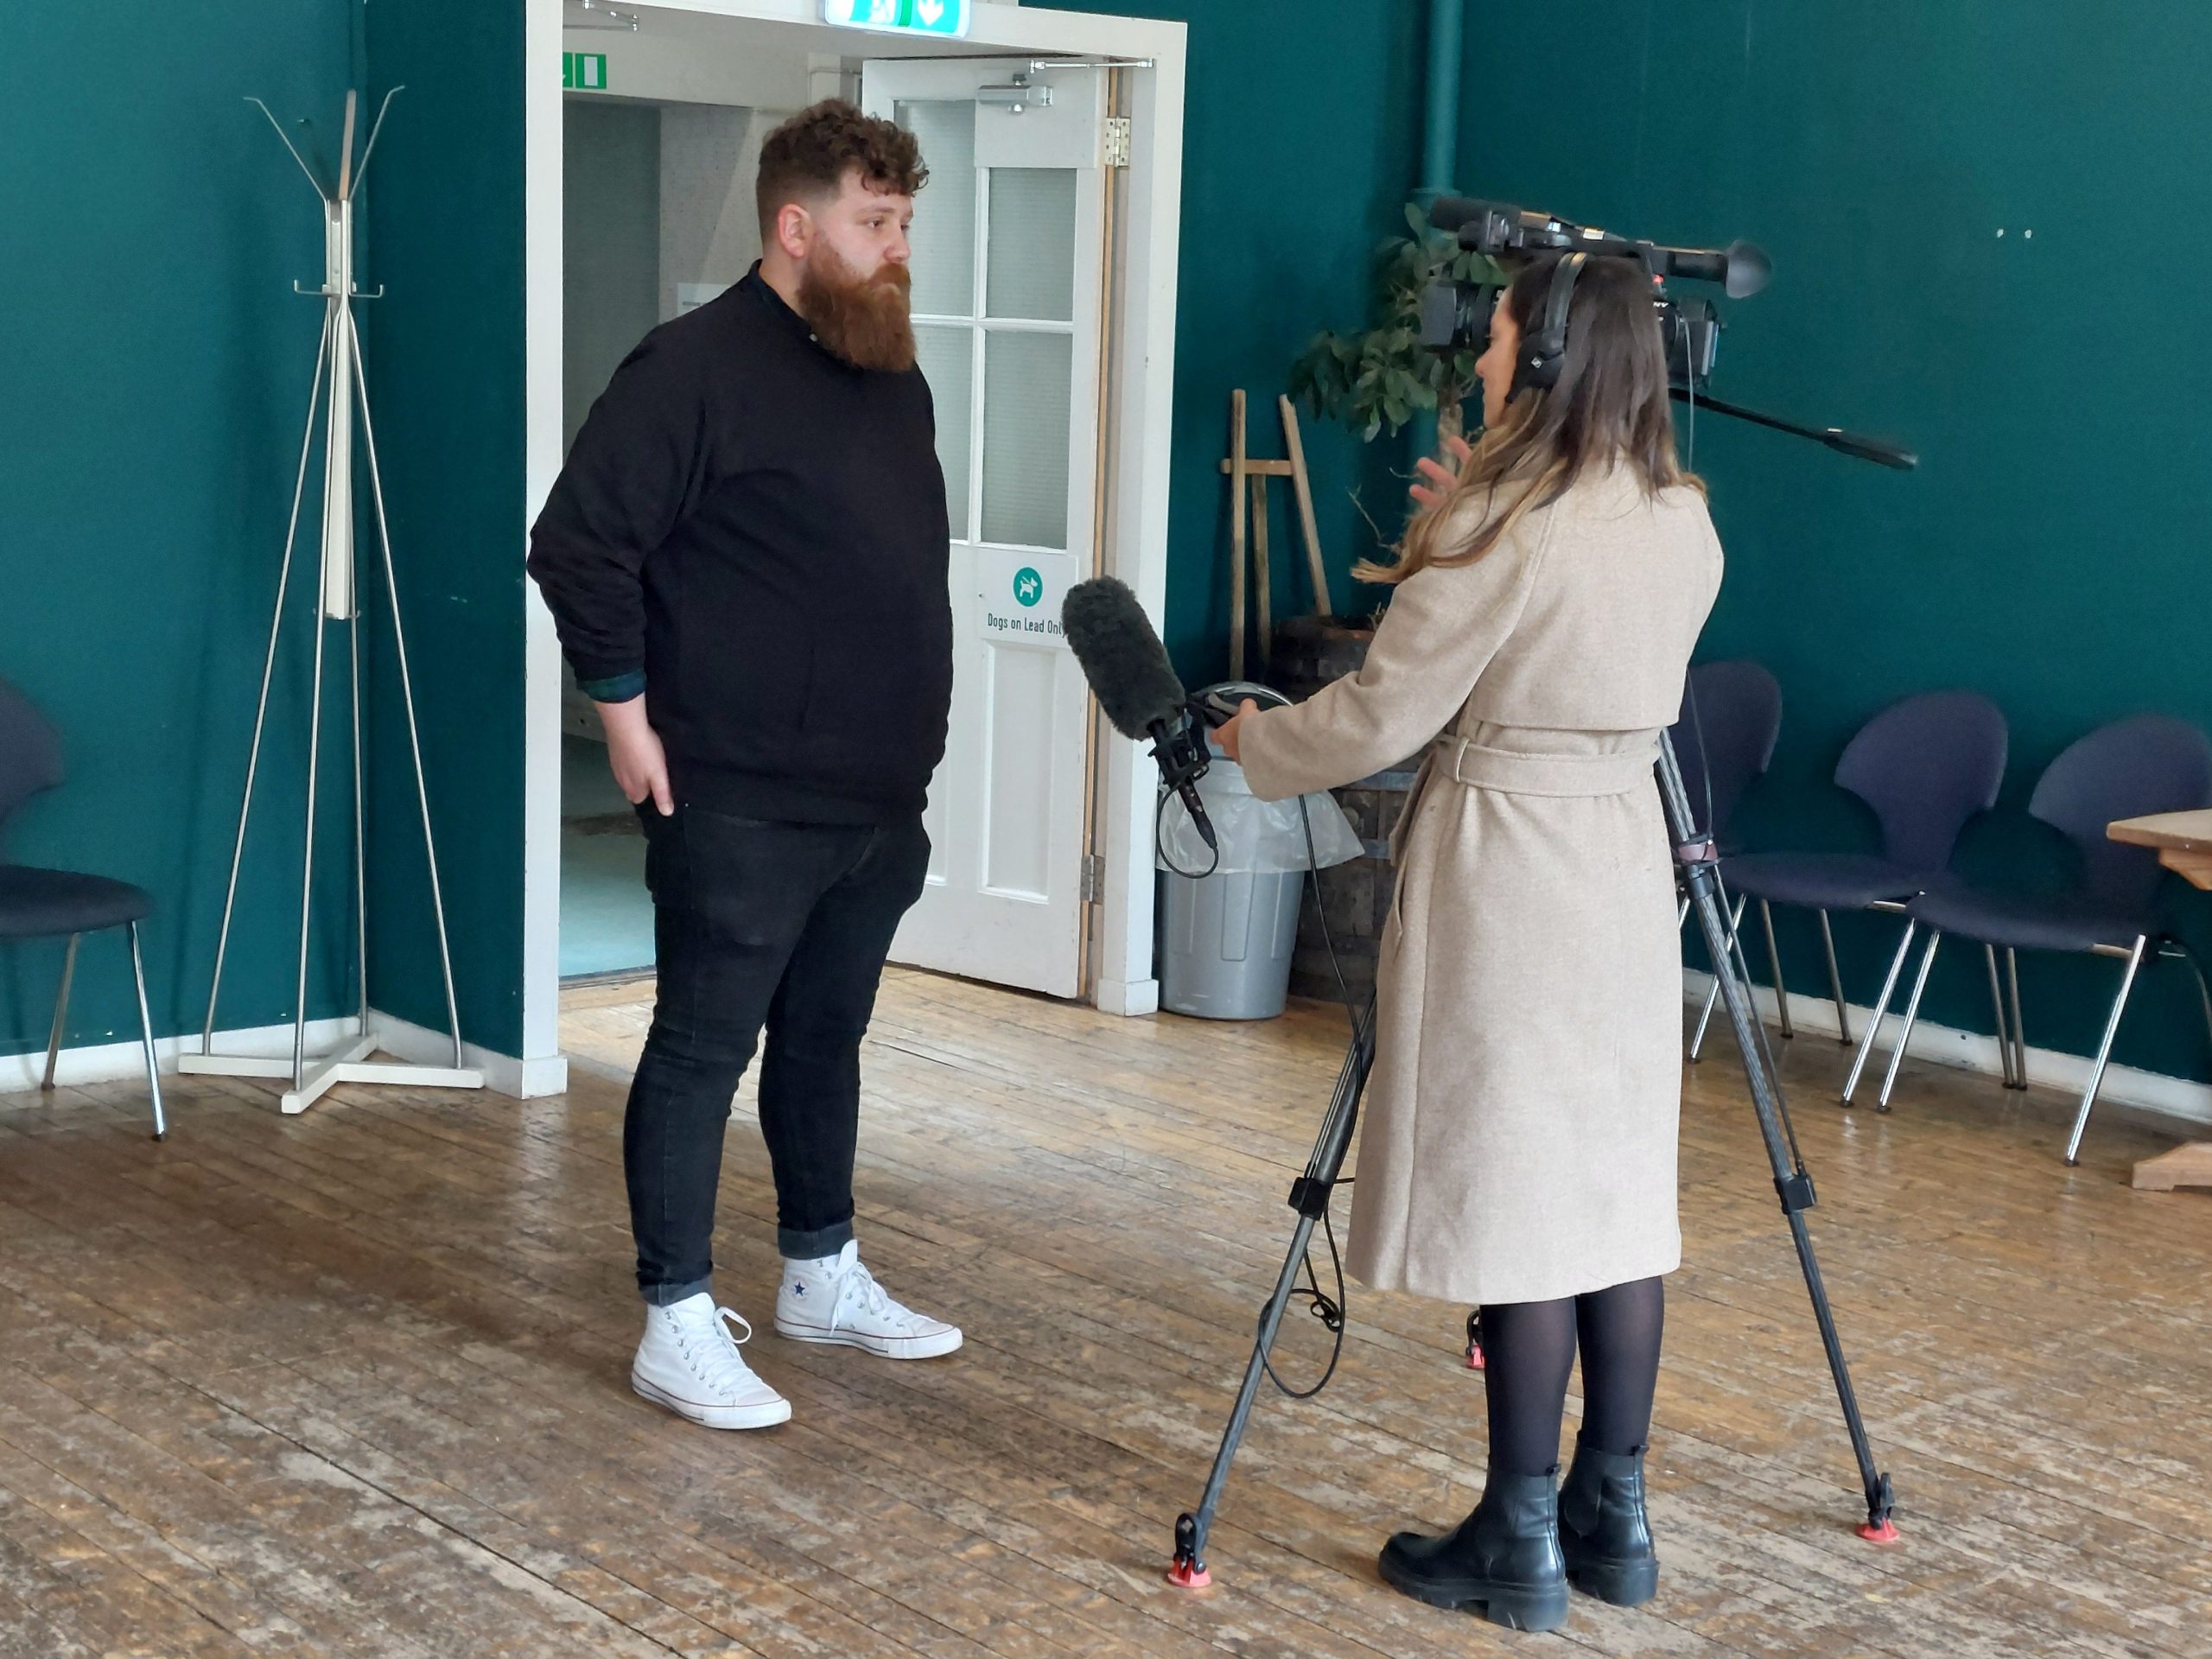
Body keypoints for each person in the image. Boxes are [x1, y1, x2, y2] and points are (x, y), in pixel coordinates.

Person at [1217, 251, 1723, 1630]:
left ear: (1550, 354)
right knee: (1615, 1203)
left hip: (1509, 872)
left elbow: (1385, 714)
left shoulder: (1509, 519)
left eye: (1497, 339)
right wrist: (1462, 535)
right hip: (1618, 865)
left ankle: (1514, 1538)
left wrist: (1252, 743)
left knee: (1517, 1207)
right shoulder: (1682, 515)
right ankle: (1609, 1525)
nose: (1484, 359)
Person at [528, 100, 963, 1434]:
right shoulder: (692, 368)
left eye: (902, 224)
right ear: (795, 225)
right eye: (874, 223)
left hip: (875, 799)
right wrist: (622, 710)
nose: (897, 249)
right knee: (703, 1047)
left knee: (827, 1038)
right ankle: (674, 1318)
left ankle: (821, 1271)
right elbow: (578, 542)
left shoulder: (893, 379)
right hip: (738, 795)